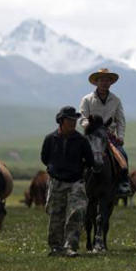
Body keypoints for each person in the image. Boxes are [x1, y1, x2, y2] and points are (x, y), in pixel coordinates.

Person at [41, 106, 96, 257]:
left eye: (74, 120)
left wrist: (78, 171)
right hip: (57, 182)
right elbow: (45, 158)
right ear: (61, 121)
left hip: (76, 182)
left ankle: (70, 246)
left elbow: (90, 161)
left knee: (76, 213)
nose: (73, 123)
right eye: (70, 120)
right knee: (56, 215)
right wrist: (55, 169)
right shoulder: (50, 139)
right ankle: (56, 247)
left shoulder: (81, 140)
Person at [80, 68, 132, 196]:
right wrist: (91, 127)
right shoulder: (87, 99)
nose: (104, 82)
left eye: (107, 80)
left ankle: (123, 183)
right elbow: (82, 118)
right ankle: (74, 182)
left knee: (123, 155)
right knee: (76, 156)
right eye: (102, 80)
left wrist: (120, 136)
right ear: (96, 82)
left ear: (111, 83)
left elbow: (120, 120)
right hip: (91, 135)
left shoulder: (116, 100)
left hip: (108, 136)